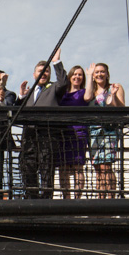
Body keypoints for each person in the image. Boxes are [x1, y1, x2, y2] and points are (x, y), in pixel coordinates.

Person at [18, 49, 68, 199]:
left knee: (47, 171)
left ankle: (46, 203)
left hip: (47, 137)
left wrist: (56, 62)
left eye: (46, 71)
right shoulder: (29, 92)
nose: (43, 73)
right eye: (40, 71)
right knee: (28, 169)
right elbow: (17, 111)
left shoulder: (54, 88)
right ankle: (31, 201)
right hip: (29, 139)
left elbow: (63, 83)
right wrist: (21, 95)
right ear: (34, 74)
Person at [84, 62, 125, 199]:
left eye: (102, 71)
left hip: (109, 131)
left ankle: (111, 198)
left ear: (107, 74)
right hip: (94, 132)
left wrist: (113, 96)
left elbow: (121, 108)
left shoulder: (115, 87)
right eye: (97, 72)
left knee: (106, 166)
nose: (99, 74)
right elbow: (86, 97)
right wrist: (89, 77)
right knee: (97, 168)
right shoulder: (92, 91)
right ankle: (100, 199)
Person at [57, 65, 89, 199]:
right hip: (63, 133)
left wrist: (91, 75)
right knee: (63, 168)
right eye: (74, 74)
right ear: (70, 77)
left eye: (80, 74)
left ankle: (77, 200)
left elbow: (88, 97)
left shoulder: (84, 92)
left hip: (79, 132)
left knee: (78, 166)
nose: (77, 77)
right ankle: (67, 199)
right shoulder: (62, 94)